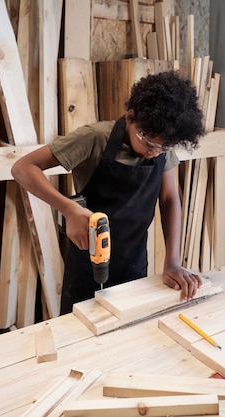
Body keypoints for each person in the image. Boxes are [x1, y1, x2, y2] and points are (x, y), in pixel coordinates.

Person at [11, 71, 205, 314]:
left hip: (134, 265)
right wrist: (68, 208)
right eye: (148, 144)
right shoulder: (95, 138)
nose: (155, 153)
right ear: (131, 117)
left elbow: (168, 198)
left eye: (164, 148)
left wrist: (173, 261)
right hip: (87, 268)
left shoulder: (161, 142)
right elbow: (22, 168)